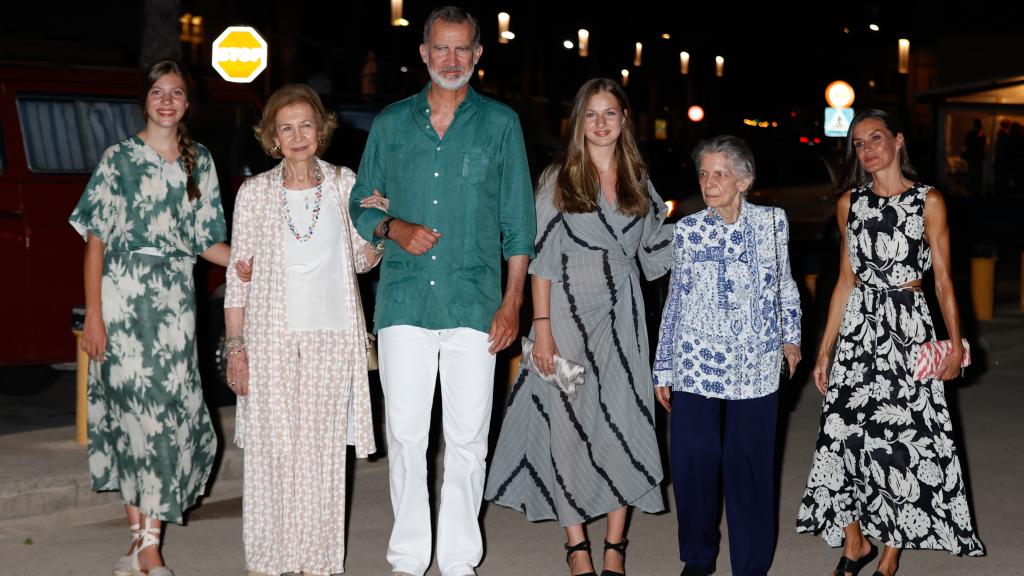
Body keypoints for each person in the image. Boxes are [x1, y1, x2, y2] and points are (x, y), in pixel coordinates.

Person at [348, 6, 536, 576]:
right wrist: (393, 227)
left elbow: (519, 223)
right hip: (405, 301)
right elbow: (360, 203)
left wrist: (513, 303)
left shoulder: (501, 124)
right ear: (423, 55)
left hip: (476, 304)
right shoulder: (390, 123)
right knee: (405, 435)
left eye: (462, 50)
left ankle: (457, 560)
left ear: (478, 55)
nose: (451, 60)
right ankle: (408, 557)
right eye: (441, 49)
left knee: (468, 439)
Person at [485, 77, 673, 576]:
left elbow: (655, 252)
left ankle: (615, 545)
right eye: (591, 114)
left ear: (625, 119)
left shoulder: (638, 178)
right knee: (567, 428)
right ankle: (576, 546)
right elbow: (542, 260)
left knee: (629, 423)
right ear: (578, 123)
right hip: (566, 317)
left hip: (625, 320)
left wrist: (708, 226)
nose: (601, 123)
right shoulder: (558, 179)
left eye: (610, 113)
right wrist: (541, 328)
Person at [796, 108, 986, 576]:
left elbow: (943, 281)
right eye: (859, 143)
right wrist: (825, 350)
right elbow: (844, 281)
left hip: (909, 325)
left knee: (904, 439)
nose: (867, 149)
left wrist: (956, 345)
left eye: (875, 138)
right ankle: (854, 540)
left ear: (898, 141)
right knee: (842, 434)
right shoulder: (850, 204)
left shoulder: (929, 201)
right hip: (860, 328)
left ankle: (890, 556)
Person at [70, 58, 229, 576]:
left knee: (167, 419)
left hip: (175, 307)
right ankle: (147, 546)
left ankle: (142, 546)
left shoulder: (198, 161)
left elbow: (208, 242)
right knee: (133, 418)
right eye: (158, 92)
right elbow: (95, 243)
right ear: (146, 100)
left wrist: (263, 261)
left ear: (188, 102)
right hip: (120, 299)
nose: (167, 101)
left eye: (176, 93)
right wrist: (94, 316)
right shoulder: (118, 158)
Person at [223, 83, 386, 576]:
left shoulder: (343, 184)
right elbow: (238, 277)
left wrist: (377, 225)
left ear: (321, 129)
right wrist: (236, 348)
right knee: (273, 453)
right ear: (273, 136)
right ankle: (269, 561)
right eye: (286, 128)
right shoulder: (254, 194)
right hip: (271, 339)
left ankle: (318, 563)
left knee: (321, 459)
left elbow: (360, 261)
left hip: (332, 339)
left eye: (306, 125)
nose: (297, 136)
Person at [653, 135, 802, 576]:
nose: (709, 182)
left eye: (719, 173)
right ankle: (698, 559)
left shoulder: (773, 222)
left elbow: (785, 285)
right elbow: (675, 301)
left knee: (750, 466)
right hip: (696, 361)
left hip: (756, 361)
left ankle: (750, 566)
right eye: (703, 173)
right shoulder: (688, 230)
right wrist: (663, 367)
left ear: (744, 179)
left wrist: (791, 339)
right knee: (693, 460)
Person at [961, 118, 986, 195]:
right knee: (975, 173)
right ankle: (974, 189)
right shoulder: (974, 134)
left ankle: (975, 189)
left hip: (974, 157)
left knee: (975, 173)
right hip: (974, 157)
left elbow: (966, 144)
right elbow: (967, 145)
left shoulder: (972, 134)